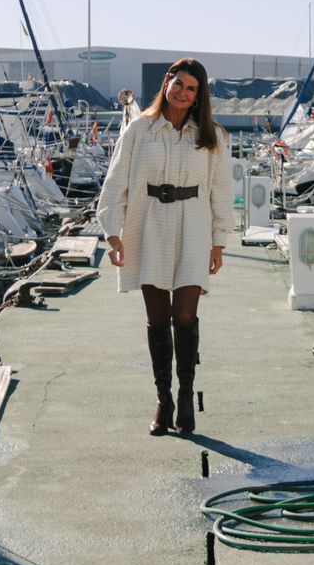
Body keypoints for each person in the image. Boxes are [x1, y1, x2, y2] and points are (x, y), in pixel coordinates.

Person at [98, 58, 234, 435]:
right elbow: (115, 182)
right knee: (158, 318)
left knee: (185, 317)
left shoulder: (212, 136)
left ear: (198, 95)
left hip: (194, 228)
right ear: (166, 83)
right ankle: (164, 398)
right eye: (178, 84)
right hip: (147, 226)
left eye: (191, 88)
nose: (183, 93)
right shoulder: (139, 130)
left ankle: (186, 393)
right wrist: (113, 234)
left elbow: (222, 191)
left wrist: (219, 242)